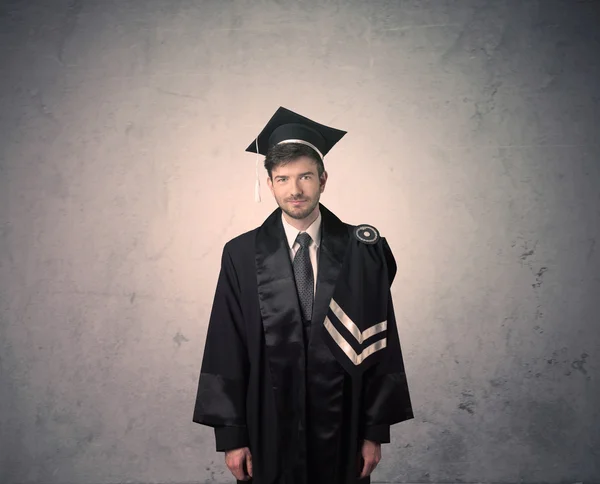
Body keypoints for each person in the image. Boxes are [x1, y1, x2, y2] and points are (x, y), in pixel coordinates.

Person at [193, 107, 413, 484]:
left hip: (344, 422)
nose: (295, 190)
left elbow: (381, 345)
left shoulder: (363, 252)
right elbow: (225, 346)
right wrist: (232, 437)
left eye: (305, 177)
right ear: (270, 183)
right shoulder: (241, 255)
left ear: (323, 179)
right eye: (283, 179)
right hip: (267, 421)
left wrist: (374, 432)